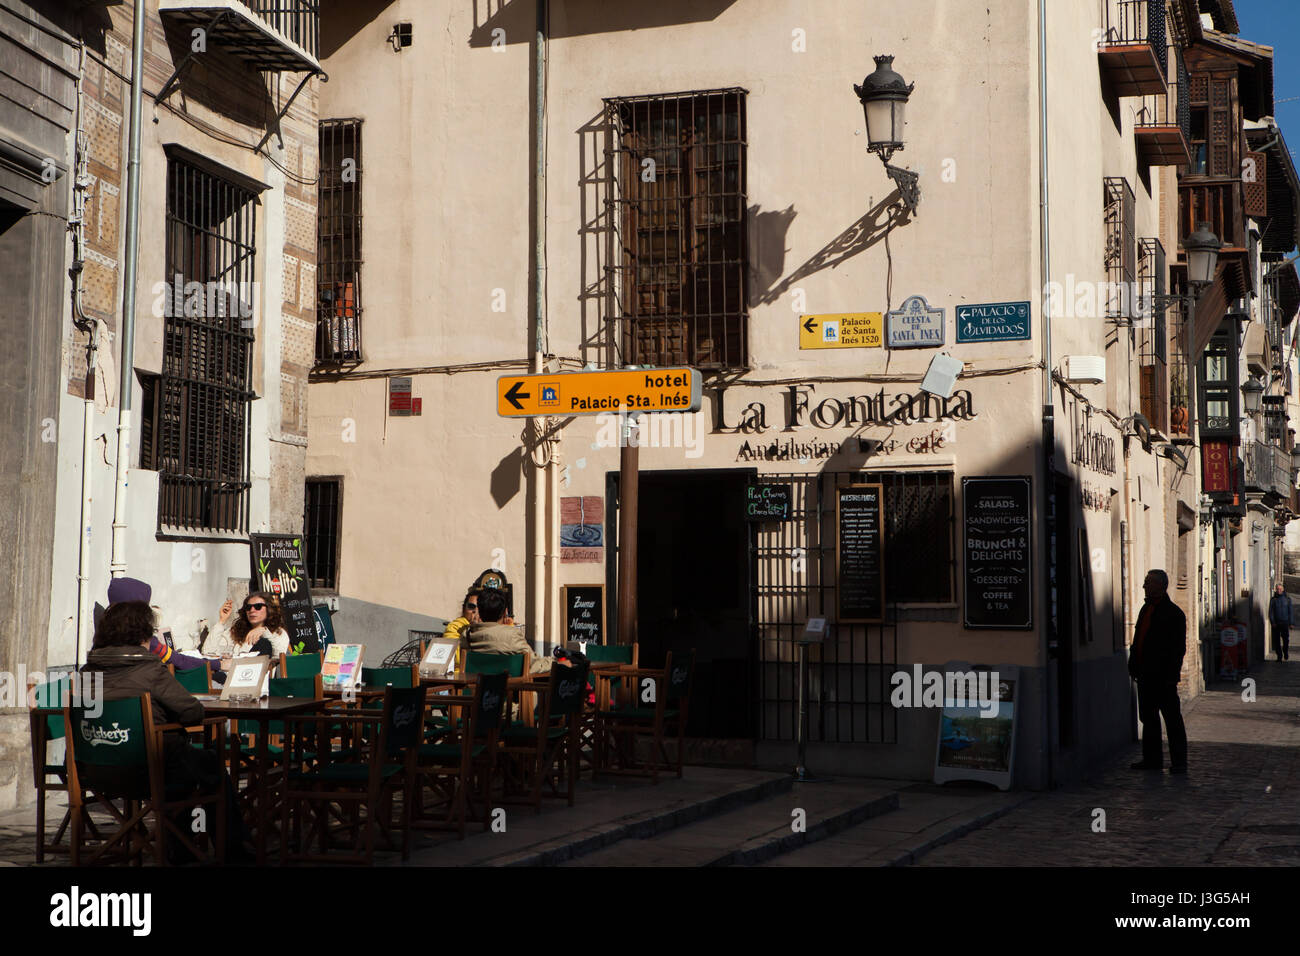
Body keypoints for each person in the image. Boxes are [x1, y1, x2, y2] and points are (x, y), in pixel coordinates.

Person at [80, 600, 250, 862]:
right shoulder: (150, 671)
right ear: (142, 635)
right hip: (150, 771)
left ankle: (180, 849)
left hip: (93, 773)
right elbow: (193, 713)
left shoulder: (84, 674)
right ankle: (230, 852)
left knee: (183, 769)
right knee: (207, 765)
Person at [105, 576, 228, 680]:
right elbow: (179, 662)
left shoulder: (99, 649)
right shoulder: (146, 643)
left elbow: (92, 703)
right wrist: (218, 664)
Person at [1128, 569, 1188, 774]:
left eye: (1148, 582)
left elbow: (1178, 648)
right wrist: (1133, 663)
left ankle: (1179, 762)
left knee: (1172, 720)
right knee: (1149, 718)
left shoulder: (1173, 614)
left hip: (1163, 678)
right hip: (1145, 675)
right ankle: (1152, 759)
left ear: (1161, 586)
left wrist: (1172, 676)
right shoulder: (1146, 610)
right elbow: (1138, 640)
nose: (1145, 586)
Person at [465, 587, 550, 674]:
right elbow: (533, 664)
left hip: (477, 686)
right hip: (509, 686)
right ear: (505, 612)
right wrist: (556, 662)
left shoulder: (470, 634)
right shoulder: (511, 635)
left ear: (480, 611)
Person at [205, 592, 291, 659]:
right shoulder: (235, 631)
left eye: (258, 607)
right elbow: (208, 652)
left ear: (269, 609)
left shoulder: (278, 633)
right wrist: (222, 621)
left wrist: (264, 632)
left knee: (264, 643)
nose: (252, 610)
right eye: (248, 607)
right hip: (227, 675)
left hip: (254, 677)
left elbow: (279, 656)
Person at [1269, 583, 1291, 662]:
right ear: (1276, 590)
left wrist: (1291, 623)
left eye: (1280, 589)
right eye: (1277, 589)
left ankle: (1285, 652)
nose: (1279, 590)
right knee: (1276, 641)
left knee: (1286, 640)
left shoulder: (1287, 599)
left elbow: (1290, 612)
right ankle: (1279, 656)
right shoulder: (1273, 600)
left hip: (1285, 623)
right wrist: (1273, 622)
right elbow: (1271, 612)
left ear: (1283, 589)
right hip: (1276, 623)